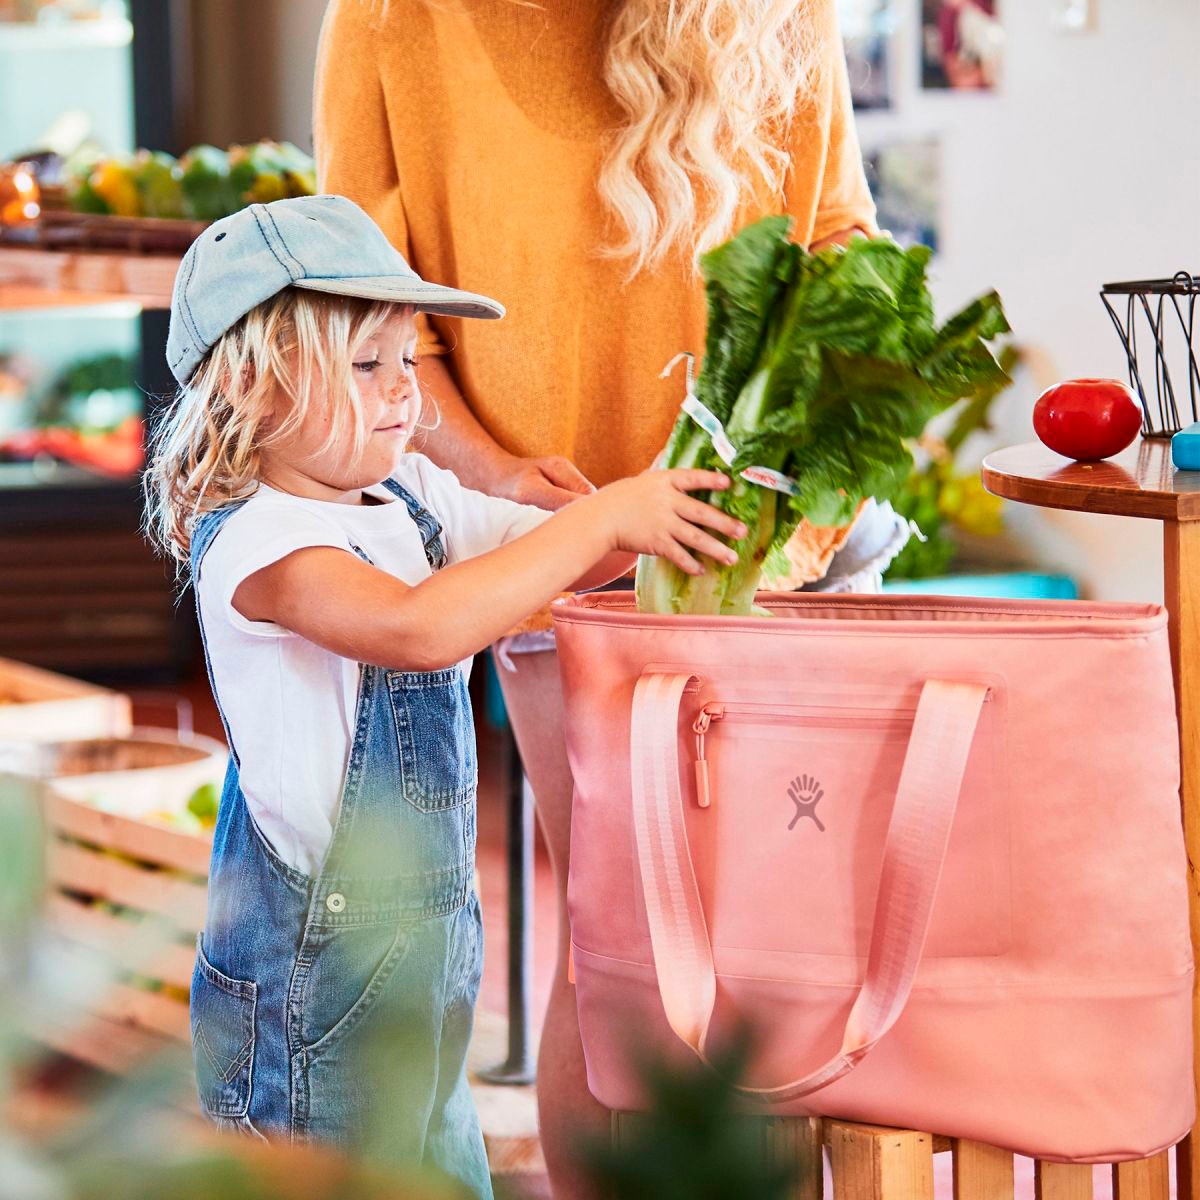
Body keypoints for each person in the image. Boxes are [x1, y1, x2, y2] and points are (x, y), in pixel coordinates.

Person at [313, 3, 897, 1193]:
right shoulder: (393, 20)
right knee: (626, 935)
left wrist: (801, 489)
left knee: (789, 951)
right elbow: (368, 303)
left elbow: (837, 238)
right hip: (566, 558)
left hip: (778, 535)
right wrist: (505, 485)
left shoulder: (776, 12)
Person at [143, 194, 746, 1198]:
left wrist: (601, 518)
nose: (399, 393)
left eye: (406, 361)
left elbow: (526, 554)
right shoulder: (260, 541)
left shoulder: (402, 495)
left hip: (423, 969)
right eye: (364, 364)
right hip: (309, 997)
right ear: (253, 384)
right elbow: (421, 627)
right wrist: (597, 526)